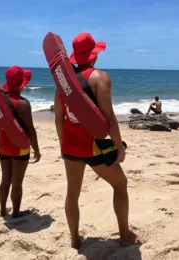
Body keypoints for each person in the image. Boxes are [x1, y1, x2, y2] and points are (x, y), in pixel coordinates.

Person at [54, 32, 143, 249]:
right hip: (94, 146)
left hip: (70, 144)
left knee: (72, 193)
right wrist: (118, 147)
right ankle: (124, 236)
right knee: (120, 184)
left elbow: (58, 118)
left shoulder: (63, 84)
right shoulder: (100, 77)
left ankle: (75, 239)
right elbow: (109, 117)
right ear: (94, 55)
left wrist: (63, 144)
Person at [0, 66, 41, 218]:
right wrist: (36, 149)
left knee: (5, 180)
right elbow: (30, 129)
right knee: (17, 183)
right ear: (22, 84)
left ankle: (3, 211)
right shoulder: (23, 104)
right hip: (21, 147)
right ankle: (16, 213)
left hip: (3, 146)